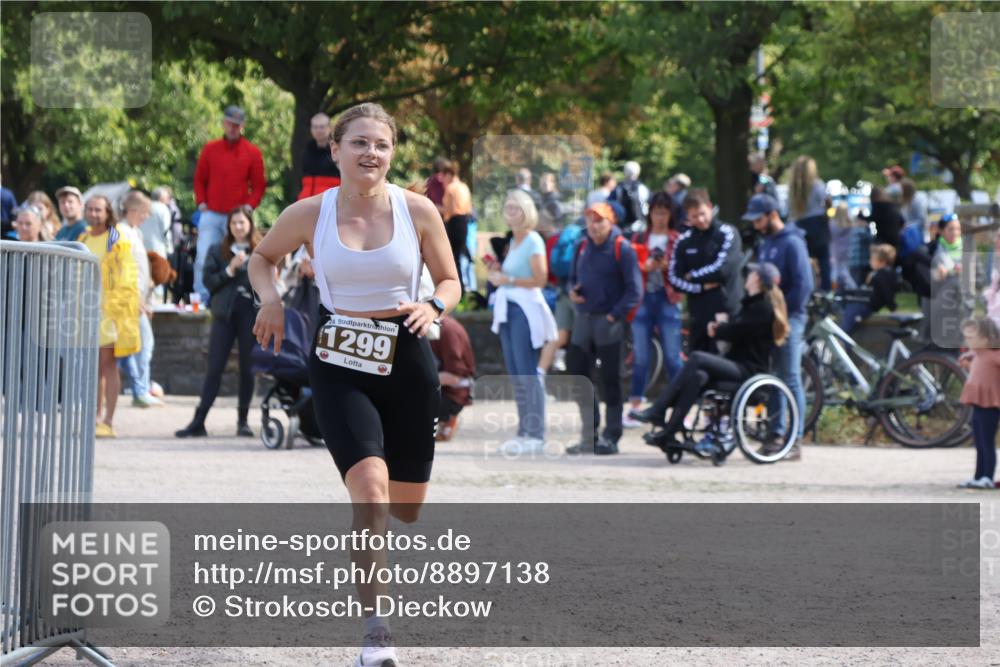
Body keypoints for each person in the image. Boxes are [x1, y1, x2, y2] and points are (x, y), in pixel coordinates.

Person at [248, 103, 460, 667]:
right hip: (339, 358)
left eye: (381, 144)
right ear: (336, 149)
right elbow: (262, 258)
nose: (371, 152)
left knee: (405, 508)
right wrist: (270, 299)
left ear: (392, 153)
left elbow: (450, 279)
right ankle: (376, 632)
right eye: (360, 142)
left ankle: (378, 545)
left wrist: (434, 305)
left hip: (407, 359)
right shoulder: (309, 212)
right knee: (370, 492)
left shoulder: (418, 210)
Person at [634, 263, 789, 454]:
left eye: (750, 274)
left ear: (757, 279)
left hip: (750, 370)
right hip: (736, 365)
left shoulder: (763, 307)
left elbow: (740, 332)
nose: (747, 277)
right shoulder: (749, 304)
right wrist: (722, 326)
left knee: (697, 358)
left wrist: (719, 328)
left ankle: (658, 409)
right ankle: (670, 431)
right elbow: (738, 328)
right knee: (697, 376)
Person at [175, 206, 262, 438]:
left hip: (250, 313)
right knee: (215, 366)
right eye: (234, 223)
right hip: (225, 313)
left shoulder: (260, 249)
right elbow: (209, 281)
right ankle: (199, 421)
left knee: (248, 368)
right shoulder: (218, 250)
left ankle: (243, 421)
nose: (238, 227)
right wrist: (229, 270)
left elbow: (268, 280)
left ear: (250, 224)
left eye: (242, 222)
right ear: (228, 226)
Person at [565, 202, 642, 455]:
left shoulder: (623, 248)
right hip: (583, 319)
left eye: (599, 221)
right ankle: (589, 435)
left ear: (611, 222)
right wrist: (572, 292)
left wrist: (613, 316)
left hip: (609, 323)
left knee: (610, 380)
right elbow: (571, 279)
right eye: (590, 220)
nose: (594, 226)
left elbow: (635, 290)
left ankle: (611, 435)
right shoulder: (582, 246)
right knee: (578, 375)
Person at [487, 189, 558, 455]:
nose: (510, 213)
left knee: (527, 371)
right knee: (516, 373)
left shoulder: (532, 240)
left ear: (526, 211)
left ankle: (536, 434)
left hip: (524, 310)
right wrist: (499, 275)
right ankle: (524, 431)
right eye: (507, 208)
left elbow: (540, 279)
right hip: (508, 308)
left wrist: (508, 280)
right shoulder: (514, 241)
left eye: (515, 208)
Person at [743, 193, 813, 459]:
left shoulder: (792, 243)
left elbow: (804, 285)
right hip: (771, 318)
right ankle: (776, 434)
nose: (755, 225)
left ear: (773, 215)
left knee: (790, 377)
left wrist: (783, 312)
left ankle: (794, 439)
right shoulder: (767, 243)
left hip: (789, 318)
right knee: (774, 377)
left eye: (759, 220)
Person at [78, 195, 140, 438]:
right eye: (90, 209)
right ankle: (95, 418)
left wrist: (119, 307)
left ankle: (108, 420)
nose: (94, 214)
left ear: (107, 213)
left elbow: (127, 272)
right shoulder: (83, 238)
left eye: (98, 210)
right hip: (86, 310)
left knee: (108, 364)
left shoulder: (115, 236)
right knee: (93, 367)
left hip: (110, 311)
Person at [193, 105, 266, 303]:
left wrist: (249, 206)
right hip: (212, 212)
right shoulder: (210, 149)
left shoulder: (252, 152)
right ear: (224, 124)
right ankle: (202, 298)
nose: (233, 128)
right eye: (230, 123)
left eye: (237, 125)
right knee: (203, 256)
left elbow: (259, 185)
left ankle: (242, 297)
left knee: (241, 256)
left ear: (243, 126)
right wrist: (201, 202)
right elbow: (199, 179)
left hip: (238, 216)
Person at [623, 191, 684, 428]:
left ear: (670, 215)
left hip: (668, 299)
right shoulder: (639, 237)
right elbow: (631, 267)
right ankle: (635, 406)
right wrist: (645, 266)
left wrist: (667, 266)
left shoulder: (677, 239)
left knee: (673, 356)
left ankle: (680, 408)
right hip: (643, 299)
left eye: (664, 213)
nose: (660, 218)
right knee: (640, 356)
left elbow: (682, 270)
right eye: (657, 213)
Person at [668, 188, 744, 354]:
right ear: (688, 216)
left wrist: (692, 275)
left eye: (702, 213)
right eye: (694, 216)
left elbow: (723, 270)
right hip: (699, 316)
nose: (700, 220)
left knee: (724, 360)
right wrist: (700, 287)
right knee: (698, 361)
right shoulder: (684, 240)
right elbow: (674, 278)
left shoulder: (727, 233)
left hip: (725, 313)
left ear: (709, 206)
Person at [117, 191, 163, 408]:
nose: (147, 217)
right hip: (128, 301)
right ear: (134, 210)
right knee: (143, 344)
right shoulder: (120, 232)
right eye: (145, 212)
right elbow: (119, 266)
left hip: (136, 300)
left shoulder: (134, 232)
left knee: (136, 347)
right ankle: (140, 390)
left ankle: (140, 389)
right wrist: (135, 299)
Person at [956, 317, 1000, 489]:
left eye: (971, 338)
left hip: (990, 406)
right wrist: (968, 359)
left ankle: (987, 476)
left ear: (987, 338)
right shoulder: (978, 354)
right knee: (979, 442)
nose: (967, 341)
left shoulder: (994, 355)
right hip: (977, 405)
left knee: (987, 442)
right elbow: (978, 367)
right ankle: (978, 476)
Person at [787, 155, 831, 291]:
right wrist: (827, 213)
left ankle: (806, 289)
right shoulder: (817, 184)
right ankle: (826, 291)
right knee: (824, 261)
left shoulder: (792, 189)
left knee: (803, 261)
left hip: (799, 224)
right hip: (817, 224)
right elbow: (828, 201)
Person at [430, 315, 476, 442]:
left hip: (453, 394)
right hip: (442, 388)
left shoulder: (448, 331)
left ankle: (447, 418)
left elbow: (454, 377)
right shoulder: (435, 327)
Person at [929, 213, 972, 347]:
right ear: (941, 231)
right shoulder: (932, 250)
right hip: (942, 306)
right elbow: (932, 278)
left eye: (957, 229)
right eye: (951, 229)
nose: (955, 232)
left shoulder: (967, 249)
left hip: (962, 307)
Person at [841, 244, 898, 335]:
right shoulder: (879, 273)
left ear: (882, 262)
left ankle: (843, 337)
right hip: (866, 303)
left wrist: (893, 308)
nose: (870, 262)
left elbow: (887, 293)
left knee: (851, 311)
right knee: (848, 307)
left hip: (868, 305)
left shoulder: (885, 273)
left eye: (872, 259)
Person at [440, 161, 473, 296]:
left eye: (444, 176)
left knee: (454, 259)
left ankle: (458, 291)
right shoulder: (464, 187)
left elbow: (450, 209)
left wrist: (434, 207)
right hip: (465, 222)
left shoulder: (451, 188)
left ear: (449, 174)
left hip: (454, 223)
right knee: (459, 257)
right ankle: (463, 289)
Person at [298, 112, 342, 199]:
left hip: (330, 200)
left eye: (322, 127)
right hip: (306, 200)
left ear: (329, 128)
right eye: (315, 127)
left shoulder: (337, 150)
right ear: (311, 129)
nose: (318, 130)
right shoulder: (307, 150)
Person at [609, 160, 649, 229]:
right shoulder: (642, 188)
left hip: (621, 226)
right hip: (639, 226)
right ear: (638, 172)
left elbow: (610, 205)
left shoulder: (618, 188)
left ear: (624, 172)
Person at [829, 203, 857, 290]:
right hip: (847, 251)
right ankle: (851, 289)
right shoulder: (850, 224)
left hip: (835, 251)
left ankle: (835, 290)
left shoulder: (831, 224)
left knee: (835, 272)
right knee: (844, 272)